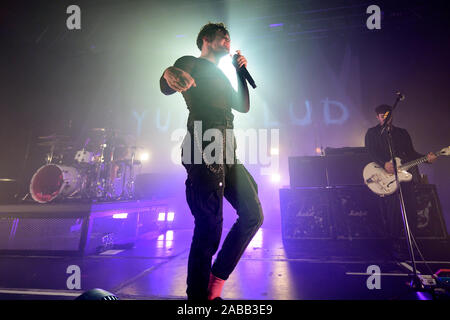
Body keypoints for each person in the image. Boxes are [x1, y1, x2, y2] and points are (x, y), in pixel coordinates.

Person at [159, 22, 264, 300]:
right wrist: (170, 74)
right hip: (203, 144)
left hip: (228, 147)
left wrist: (240, 72)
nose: (228, 42)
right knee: (209, 227)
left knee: (253, 214)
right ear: (206, 40)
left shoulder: (222, 74)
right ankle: (197, 297)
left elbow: (242, 106)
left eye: (230, 39)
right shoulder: (190, 62)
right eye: (223, 38)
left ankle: (215, 281)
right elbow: (167, 82)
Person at [364, 104, 436, 248]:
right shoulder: (372, 133)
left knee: (411, 210)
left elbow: (411, 153)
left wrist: (426, 158)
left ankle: (413, 245)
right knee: (393, 214)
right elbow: (370, 152)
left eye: (388, 115)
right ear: (377, 117)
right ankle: (394, 246)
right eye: (382, 115)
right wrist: (383, 164)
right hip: (386, 177)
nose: (385, 118)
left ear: (392, 115)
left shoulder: (402, 133)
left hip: (404, 176)